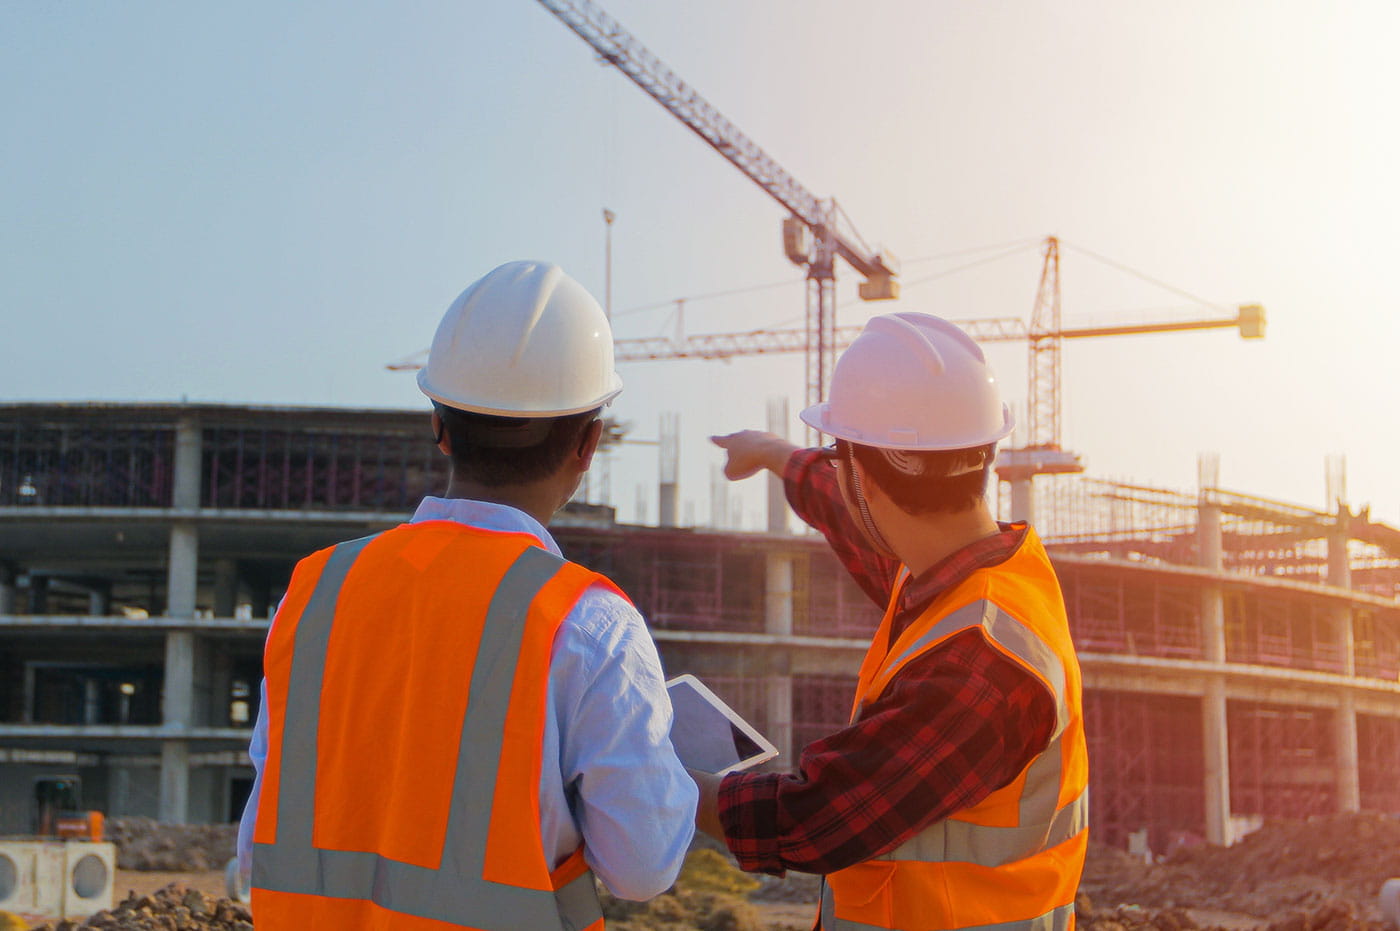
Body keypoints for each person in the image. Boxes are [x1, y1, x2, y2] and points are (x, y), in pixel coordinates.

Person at [238, 260, 696, 929]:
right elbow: (643, 865)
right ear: (590, 443)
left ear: (439, 424)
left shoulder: (313, 594)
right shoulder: (589, 624)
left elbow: (260, 843)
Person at [698, 311, 1088, 931]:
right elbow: (848, 508)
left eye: (838, 455)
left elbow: (815, 817)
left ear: (862, 476)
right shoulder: (982, 577)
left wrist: (671, 784)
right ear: (982, 452)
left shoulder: (978, 668)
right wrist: (774, 455)